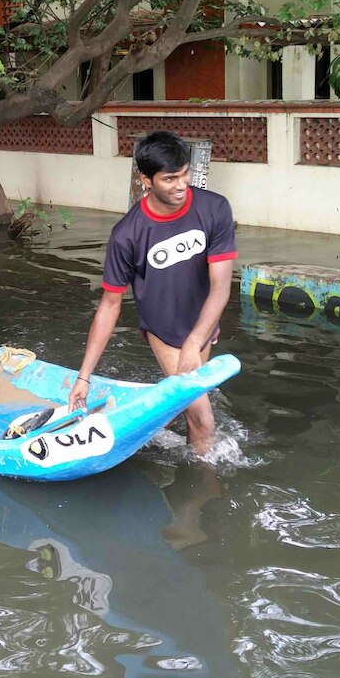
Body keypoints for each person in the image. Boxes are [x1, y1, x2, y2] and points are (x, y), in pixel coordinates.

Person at [67, 131, 237, 455]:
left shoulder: (214, 209)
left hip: (203, 324)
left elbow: (221, 288)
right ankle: (202, 495)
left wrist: (194, 341)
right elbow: (109, 305)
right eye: (170, 178)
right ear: (146, 180)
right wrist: (84, 377)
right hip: (164, 329)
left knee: (186, 405)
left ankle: (163, 421)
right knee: (202, 418)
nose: (181, 184)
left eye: (185, 173)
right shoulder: (127, 235)